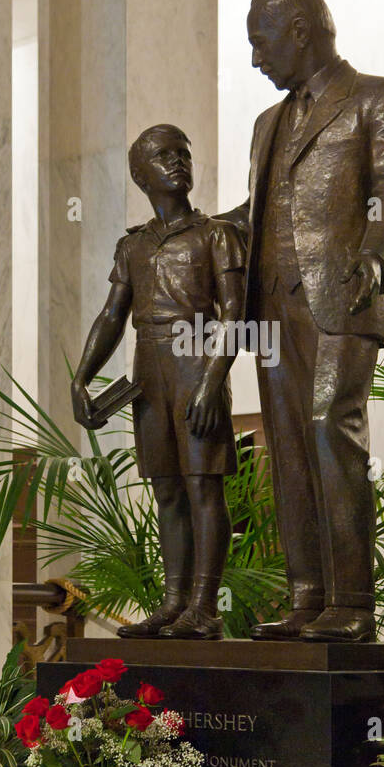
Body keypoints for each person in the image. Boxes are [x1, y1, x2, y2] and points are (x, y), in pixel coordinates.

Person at [219, 0, 384, 643]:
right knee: (286, 448)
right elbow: (259, 215)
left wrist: (377, 257)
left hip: (342, 295)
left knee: (331, 430)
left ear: (300, 30)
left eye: (260, 42)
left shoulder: (379, 99)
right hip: (271, 307)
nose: (255, 60)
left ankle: (353, 603)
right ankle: (308, 595)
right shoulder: (267, 125)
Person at [71, 124, 244, 639]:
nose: (178, 162)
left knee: (201, 485)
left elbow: (235, 313)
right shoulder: (133, 247)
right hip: (149, 368)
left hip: (197, 360)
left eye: (183, 154)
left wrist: (214, 379)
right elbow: (110, 316)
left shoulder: (216, 234)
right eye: (164, 156)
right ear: (140, 175)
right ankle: (173, 603)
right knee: (167, 489)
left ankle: (204, 608)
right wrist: (82, 378)